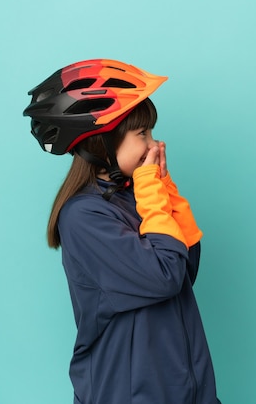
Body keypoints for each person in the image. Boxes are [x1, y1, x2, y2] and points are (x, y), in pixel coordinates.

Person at [23, 59, 221, 404]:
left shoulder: (134, 195)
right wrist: (152, 191)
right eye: (142, 134)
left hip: (183, 382)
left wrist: (164, 188)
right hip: (131, 390)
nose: (153, 143)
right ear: (102, 141)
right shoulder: (83, 216)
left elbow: (186, 266)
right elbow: (165, 276)